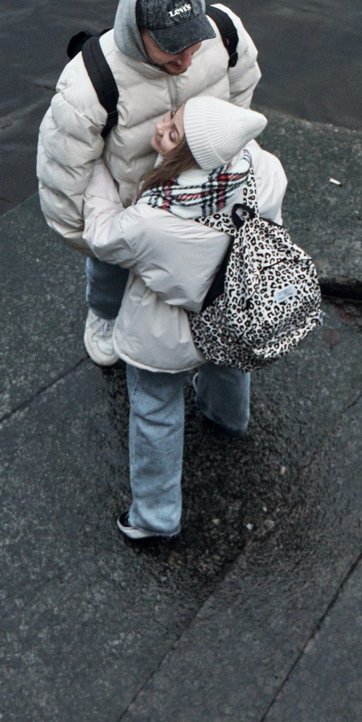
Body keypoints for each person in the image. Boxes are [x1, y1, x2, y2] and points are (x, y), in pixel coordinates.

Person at [81, 95, 287, 542]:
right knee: (229, 362)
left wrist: (99, 168)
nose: (159, 127)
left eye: (172, 132)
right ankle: (226, 420)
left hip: (168, 335)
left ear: (185, 158)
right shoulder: (263, 169)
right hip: (236, 308)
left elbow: (102, 235)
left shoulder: (154, 220)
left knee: (156, 411)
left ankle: (154, 519)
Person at [36, 0, 261, 366]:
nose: (187, 61)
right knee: (109, 274)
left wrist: (213, 149)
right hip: (126, 205)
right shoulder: (88, 84)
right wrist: (104, 242)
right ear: (137, 35)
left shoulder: (225, 32)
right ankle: (104, 316)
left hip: (194, 194)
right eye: (171, 49)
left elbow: (242, 88)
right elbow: (62, 180)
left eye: (194, 44)